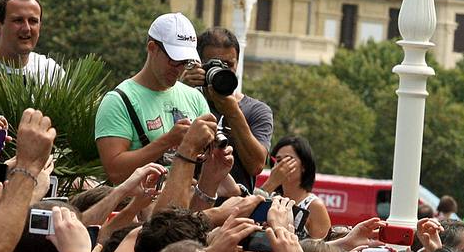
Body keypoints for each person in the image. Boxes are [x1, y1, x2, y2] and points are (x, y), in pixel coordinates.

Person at [94, 13, 210, 184]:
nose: (179, 69)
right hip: (138, 207)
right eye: (174, 60)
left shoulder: (195, 97)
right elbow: (115, 171)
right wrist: (168, 141)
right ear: (152, 48)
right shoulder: (118, 100)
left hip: (186, 205)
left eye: (186, 62)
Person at [183, 27, 272, 194]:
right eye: (213, 64)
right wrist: (180, 89)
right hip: (188, 208)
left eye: (229, 65)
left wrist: (233, 112)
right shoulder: (185, 98)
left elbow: (256, 165)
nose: (222, 70)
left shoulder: (256, 110)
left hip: (236, 210)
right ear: (198, 63)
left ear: (237, 63)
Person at [261, 135, 331, 239]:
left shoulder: (314, 206)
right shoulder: (269, 197)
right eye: (279, 161)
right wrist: (270, 184)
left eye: (289, 160)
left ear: (304, 166)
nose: (282, 166)